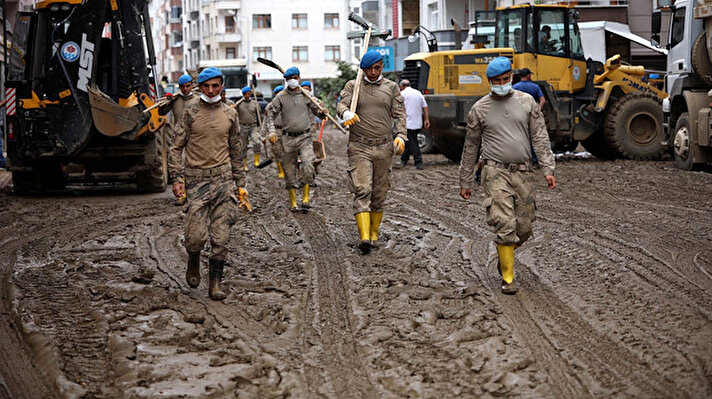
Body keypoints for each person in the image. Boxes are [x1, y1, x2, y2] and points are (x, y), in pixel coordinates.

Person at [459, 57, 556, 295]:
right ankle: (508, 278)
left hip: (523, 172)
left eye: (505, 79)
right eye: (496, 81)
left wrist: (548, 169)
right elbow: (470, 146)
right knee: (504, 222)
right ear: (489, 81)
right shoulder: (479, 108)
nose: (501, 84)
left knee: (523, 228)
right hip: (494, 171)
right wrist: (466, 180)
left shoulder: (527, 102)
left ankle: (506, 255)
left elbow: (540, 138)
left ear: (511, 77)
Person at [169, 67, 248, 301]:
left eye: (216, 85)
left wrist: (240, 184)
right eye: (207, 86)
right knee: (195, 237)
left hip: (224, 181)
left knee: (221, 238)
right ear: (199, 87)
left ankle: (215, 283)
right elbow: (175, 147)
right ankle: (193, 258)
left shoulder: (230, 113)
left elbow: (236, 149)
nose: (211, 90)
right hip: (196, 181)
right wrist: (177, 178)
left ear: (222, 86)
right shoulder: (190, 113)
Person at [337, 50, 406, 254]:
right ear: (363, 69)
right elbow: (341, 104)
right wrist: (346, 112)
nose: (373, 72)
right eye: (369, 69)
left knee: (379, 193)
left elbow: (400, 114)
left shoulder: (391, 88)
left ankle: (374, 233)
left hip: (385, 147)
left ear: (382, 66)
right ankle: (364, 237)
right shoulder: (354, 86)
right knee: (362, 189)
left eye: (377, 68)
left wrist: (401, 135)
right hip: (359, 146)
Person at [265, 67, 326, 212]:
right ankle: (293, 203)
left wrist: (322, 112)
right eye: (288, 78)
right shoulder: (281, 97)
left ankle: (305, 199)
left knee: (308, 164)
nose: (291, 80)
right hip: (287, 139)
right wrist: (272, 131)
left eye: (294, 77)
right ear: (286, 80)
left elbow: (318, 110)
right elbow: (270, 115)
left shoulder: (306, 96)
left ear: (298, 77)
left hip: (305, 137)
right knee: (290, 171)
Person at [160, 73, 199, 205]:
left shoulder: (198, 100)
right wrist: (166, 101)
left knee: (193, 165)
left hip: (194, 136)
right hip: (178, 137)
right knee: (178, 166)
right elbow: (161, 112)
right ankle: (181, 195)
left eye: (187, 86)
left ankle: (194, 193)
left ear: (191, 86)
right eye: (182, 87)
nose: (185, 89)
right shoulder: (175, 100)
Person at [398, 79, 430, 170]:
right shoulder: (418, 93)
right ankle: (404, 160)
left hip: (407, 123)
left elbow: (397, 107)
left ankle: (418, 162)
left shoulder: (402, 94)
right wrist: (426, 119)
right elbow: (425, 106)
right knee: (408, 142)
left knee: (412, 143)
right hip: (417, 123)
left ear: (402, 86)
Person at [236, 86, 262, 169]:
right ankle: (244, 163)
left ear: (250, 93)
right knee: (243, 146)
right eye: (245, 94)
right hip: (243, 127)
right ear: (243, 94)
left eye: (248, 93)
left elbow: (259, 115)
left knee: (257, 142)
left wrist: (260, 125)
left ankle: (256, 160)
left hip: (253, 126)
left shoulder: (255, 103)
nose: (247, 95)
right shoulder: (239, 104)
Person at [263, 85, 286, 179]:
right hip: (275, 131)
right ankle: (281, 171)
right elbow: (266, 120)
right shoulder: (270, 106)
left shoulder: (290, 104)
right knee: (278, 152)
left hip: (288, 131)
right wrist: (263, 134)